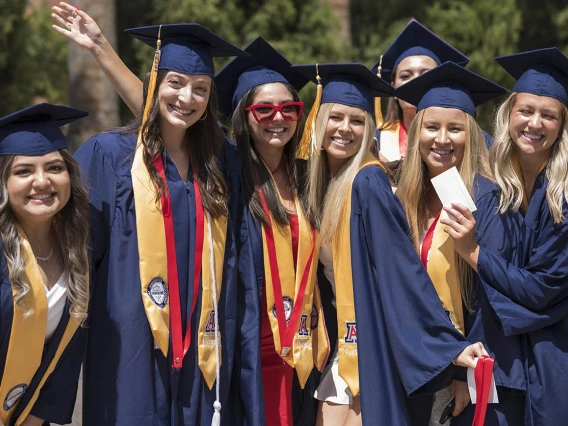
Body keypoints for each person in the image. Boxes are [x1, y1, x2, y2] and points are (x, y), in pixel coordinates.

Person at [293, 62, 489, 426]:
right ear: (318, 125)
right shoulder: (321, 186)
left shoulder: (368, 183)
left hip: (372, 350)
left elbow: (400, 270)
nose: (345, 129)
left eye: (357, 120)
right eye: (335, 117)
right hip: (342, 346)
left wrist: (450, 349)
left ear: (370, 127)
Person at [74, 24, 247, 426]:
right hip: (130, 341)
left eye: (201, 88)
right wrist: (101, 48)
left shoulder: (220, 165)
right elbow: (76, 249)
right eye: (175, 83)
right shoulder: (110, 156)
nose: (187, 97)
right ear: (155, 82)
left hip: (201, 345)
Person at [441, 48, 568, 426]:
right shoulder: (480, 182)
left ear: (562, 124)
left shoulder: (564, 194)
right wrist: (459, 368)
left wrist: (475, 254)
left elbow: (543, 290)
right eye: (526, 110)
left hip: (552, 356)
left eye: (549, 115)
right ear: (509, 113)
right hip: (488, 356)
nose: (535, 123)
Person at [214, 36, 329, 426]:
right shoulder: (227, 170)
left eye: (289, 108)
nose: (278, 118)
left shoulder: (309, 178)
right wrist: (99, 49)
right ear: (244, 117)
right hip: (248, 340)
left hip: (303, 344)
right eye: (263, 110)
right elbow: (160, 120)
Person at [393, 62, 512, 423]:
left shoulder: (487, 199)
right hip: (409, 358)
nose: (442, 139)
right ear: (416, 134)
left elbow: (489, 297)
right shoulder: (401, 197)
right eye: (431, 127)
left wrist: (463, 375)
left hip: (459, 366)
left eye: (455, 129)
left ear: (471, 135)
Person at [0, 103, 90, 426]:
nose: (42, 181)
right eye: (23, 171)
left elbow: (63, 359)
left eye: (54, 168)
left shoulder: (77, 249)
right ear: (3, 184)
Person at [370, 19, 469, 164]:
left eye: (425, 74)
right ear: (393, 89)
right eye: (405, 76)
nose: (415, 82)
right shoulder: (376, 142)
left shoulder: (469, 141)